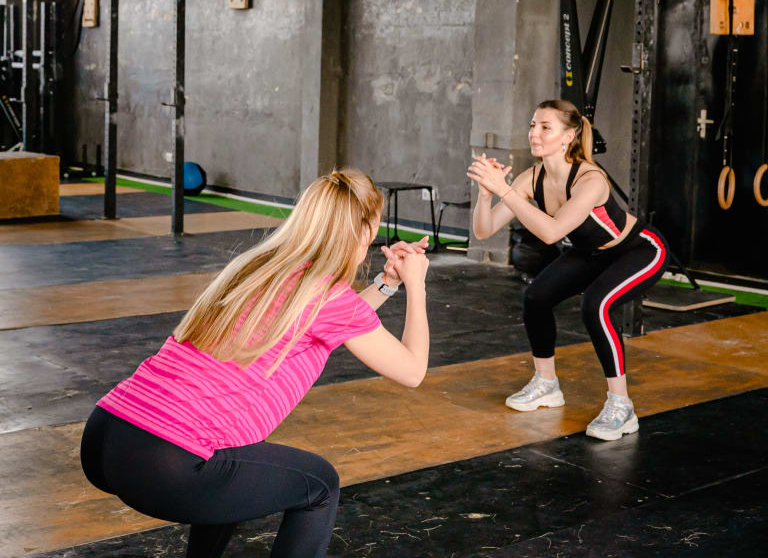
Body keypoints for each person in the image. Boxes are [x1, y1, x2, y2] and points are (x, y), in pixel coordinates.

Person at [80, 169, 431, 558]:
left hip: (106, 435)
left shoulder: (259, 267)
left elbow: (333, 327)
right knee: (320, 485)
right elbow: (412, 371)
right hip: (166, 464)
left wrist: (387, 282)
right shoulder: (328, 294)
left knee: (240, 454)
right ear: (363, 232)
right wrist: (417, 285)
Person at [468, 99, 668, 441]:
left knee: (597, 305)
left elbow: (551, 232)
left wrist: (504, 189)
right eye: (533, 125)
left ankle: (621, 407)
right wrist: (487, 195)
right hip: (590, 252)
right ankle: (546, 384)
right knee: (536, 297)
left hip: (637, 249)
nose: (535, 133)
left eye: (546, 127)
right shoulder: (532, 178)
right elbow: (484, 231)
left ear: (568, 136)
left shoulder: (591, 179)